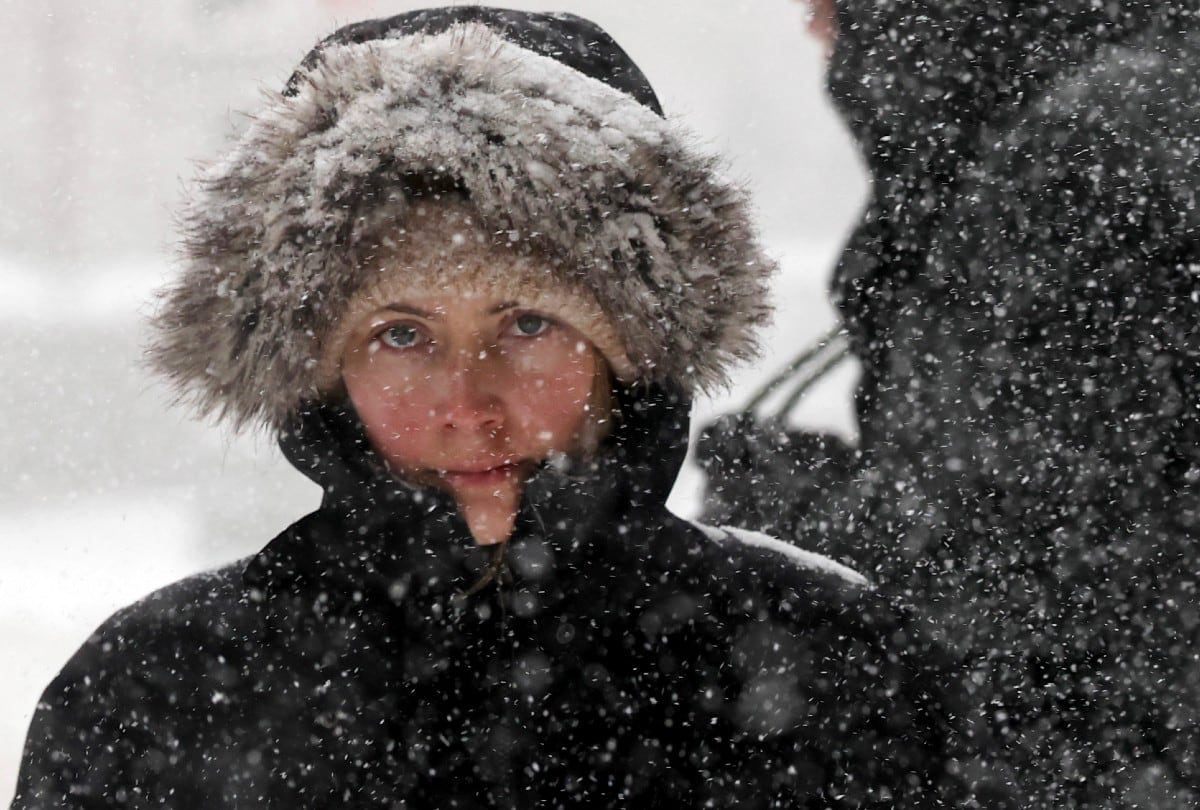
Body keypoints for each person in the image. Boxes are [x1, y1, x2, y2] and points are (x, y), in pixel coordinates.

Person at [9, 8, 997, 808]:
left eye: (527, 324)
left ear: (635, 348)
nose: (467, 401)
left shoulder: (832, 669)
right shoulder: (162, 694)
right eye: (400, 334)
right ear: (317, 371)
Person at [703, 0, 1200, 806]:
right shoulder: (1137, 95)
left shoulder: (1079, 158)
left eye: (828, 3)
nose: (813, 29)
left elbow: (995, 556)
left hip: (1105, 753)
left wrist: (777, 528)